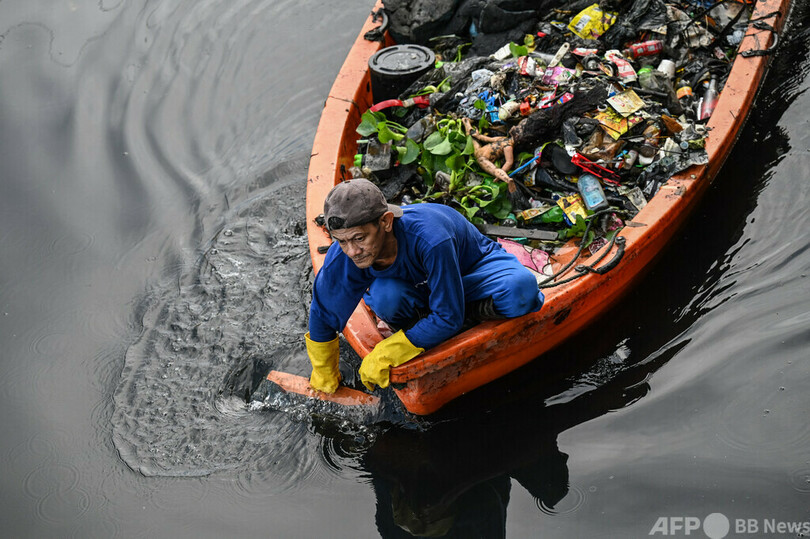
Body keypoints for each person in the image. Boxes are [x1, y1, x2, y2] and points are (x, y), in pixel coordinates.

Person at [306, 178, 544, 393]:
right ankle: (429, 325)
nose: (352, 251)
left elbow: (449, 316)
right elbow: (323, 313)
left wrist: (391, 351)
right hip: (421, 289)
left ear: (386, 222)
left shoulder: (432, 238)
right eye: (342, 241)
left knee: (521, 289)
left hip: (470, 273)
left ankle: (439, 325)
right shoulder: (344, 255)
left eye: (360, 238)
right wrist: (324, 375)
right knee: (385, 298)